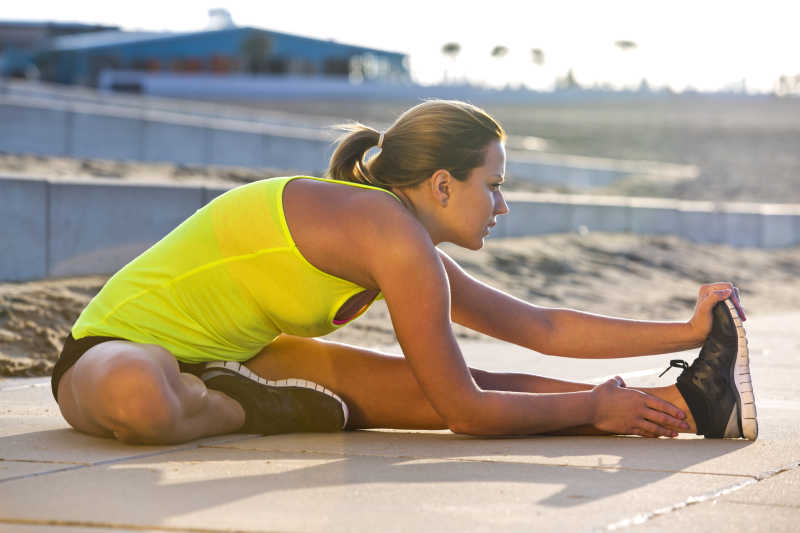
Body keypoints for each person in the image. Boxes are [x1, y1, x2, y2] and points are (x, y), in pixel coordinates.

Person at [50, 99, 757, 445]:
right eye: (495, 184)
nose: (502, 205)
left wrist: (688, 328)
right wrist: (589, 405)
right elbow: (465, 414)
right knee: (140, 394)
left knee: (454, 383)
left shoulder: (399, 238)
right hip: (111, 350)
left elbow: (537, 324)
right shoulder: (392, 235)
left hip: (235, 356)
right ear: (443, 185)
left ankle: (689, 405)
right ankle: (241, 406)